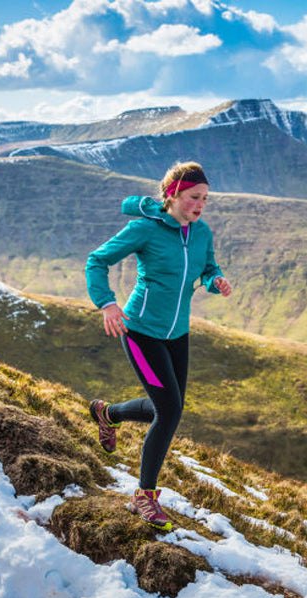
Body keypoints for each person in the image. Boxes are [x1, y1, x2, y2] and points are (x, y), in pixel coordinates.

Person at [84, 161, 232, 531]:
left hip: (177, 333)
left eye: (205, 199)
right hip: (141, 331)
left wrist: (216, 282)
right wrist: (107, 304)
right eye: (194, 197)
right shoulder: (145, 229)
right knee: (168, 411)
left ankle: (108, 414)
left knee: (169, 407)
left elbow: (208, 268)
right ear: (172, 194)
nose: (200, 205)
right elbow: (97, 260)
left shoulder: (201, 232)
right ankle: (144, 496)